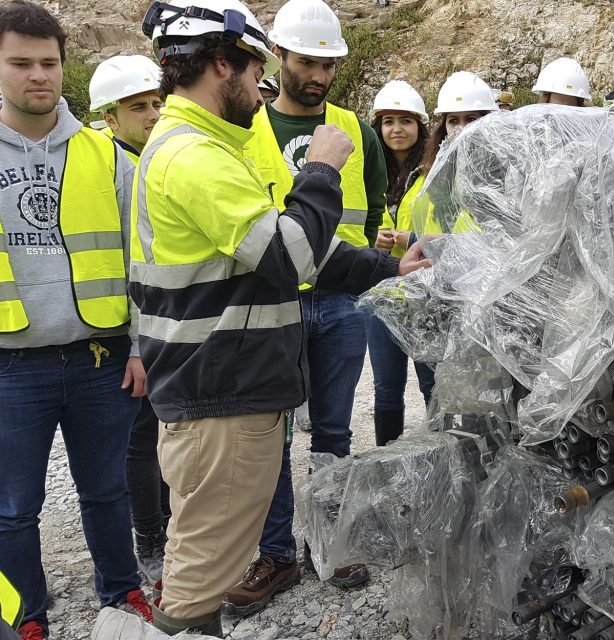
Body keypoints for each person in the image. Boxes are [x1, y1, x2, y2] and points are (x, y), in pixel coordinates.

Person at [136, 0, 429, 635]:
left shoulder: (212, 145)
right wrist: (320, 168)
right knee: (202, 572)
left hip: (222, 384)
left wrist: (389, 268)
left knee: (206, 557)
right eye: (255, 71)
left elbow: (289, 250)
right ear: (223, 64)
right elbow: (289, 255)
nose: (260, 86)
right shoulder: (195, 156)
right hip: (219, 390)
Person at [222, 0, 390, 617]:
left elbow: (372, 211)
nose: (318, 75)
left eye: (328, 64)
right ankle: (277, 554)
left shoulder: (355, 130)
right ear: (278, 58)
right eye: (306, 62)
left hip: (341, 303)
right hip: (275, 302)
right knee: (271, 434)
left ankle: (331, 543)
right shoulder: (249, 128)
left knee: (334, 431)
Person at [0, 2, 153, 639]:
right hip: (10, 367)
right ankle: (24, 617)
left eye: (49, 62)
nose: (38, 75)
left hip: (100, 359)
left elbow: (141, 258)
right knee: (13, 510)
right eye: (21, 63)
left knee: (107, 491)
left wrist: (140, 348)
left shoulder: (107, 157)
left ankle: (122, 592)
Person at [89, 52, 170, 587]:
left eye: (156, 103)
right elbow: (129, 261)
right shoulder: (112, 166)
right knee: (142, 439)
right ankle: (151, 540)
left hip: (167, 322)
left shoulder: (158, 160)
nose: (153, 114)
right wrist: (137, 343)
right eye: (137, 107)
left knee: (167, 431)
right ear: (111, 118)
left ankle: (169, 529)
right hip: (133, 330)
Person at [367, 80, 434, 446]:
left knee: (431, 382)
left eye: (406, 121)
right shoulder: (366, 169)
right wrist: (371, 239)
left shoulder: (434, 169)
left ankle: (440, 455)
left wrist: (413, 239)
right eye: (388, 121)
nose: (397, 129)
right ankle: (387, 460)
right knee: (387, 386)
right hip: (380, 292)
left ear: (420, 126)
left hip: (425, 293)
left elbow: (451, 224)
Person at [89, 55, 164, 162]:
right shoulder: (107, 166)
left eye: (157, 105)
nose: (155, 116)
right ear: (111, 121)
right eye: (139, 108)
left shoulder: (170, 152)